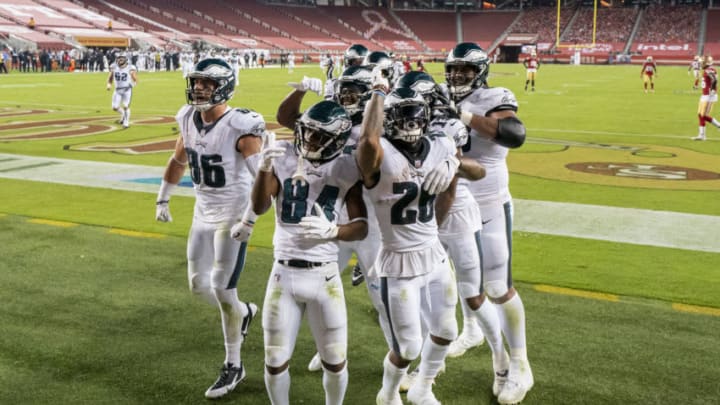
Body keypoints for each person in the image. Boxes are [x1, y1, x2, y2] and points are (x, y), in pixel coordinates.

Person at [358, 74, 485, 405]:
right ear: (390, 120)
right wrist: (377, 94)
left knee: (446, 332)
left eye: (416, 114)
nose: (411, 122)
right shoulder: (380, 151)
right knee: (408, 346)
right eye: (403, 115)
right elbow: (369, 140)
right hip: (398, 260)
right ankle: (387, 395)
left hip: (435, 255)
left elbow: (479, 172)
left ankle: (423, 387)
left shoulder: (440, 145)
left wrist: (456, 163)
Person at [238, 100, 368, 405]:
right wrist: (263, 169)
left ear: (336, 139)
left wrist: (335, 231)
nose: (309, 139)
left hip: (325, 274)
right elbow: (259, 206)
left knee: (335, 361)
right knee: (274, 360)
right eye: (307, 131)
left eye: (318, 135)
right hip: (283, 273)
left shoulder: (347, 166)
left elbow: (361, 226)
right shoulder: (283, 155)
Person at [154, 58, 264, 399]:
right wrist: (163, 199)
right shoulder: (187, 117)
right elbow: (178, 160)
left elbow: (264, 180)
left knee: (220, 287)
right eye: (197, 81)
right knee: (198, 286)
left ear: (224, 86)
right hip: (203, 214)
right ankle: (243, 313)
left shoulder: (241, 126)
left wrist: (249, 220)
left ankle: (234, 364)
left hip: (232, 215)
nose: (199, 88)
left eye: (207, 83)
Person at [276, 67, 390, 373]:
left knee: (380, 293)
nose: (347, 97)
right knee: (320, 287)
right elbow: (286, 119)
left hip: (370, 220)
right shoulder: (329, 116)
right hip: (327, 216)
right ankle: (326, 348)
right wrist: (300, 90)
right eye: (344, 90)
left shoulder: (376, 124)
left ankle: (399, 356)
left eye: (355, 92)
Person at [445, 42, 531, 404]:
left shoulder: (494, 96)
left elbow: (514, 134)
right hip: (452, 203)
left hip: (490, 203)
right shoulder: (440, 95)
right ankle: (472, 331)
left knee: (497, 285)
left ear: (480, 71)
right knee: (462, 275)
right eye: (453, 70)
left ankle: (521, 364)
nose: (457, 76)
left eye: (465, 70)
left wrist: (462, 116)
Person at [106, 52, 137, 129]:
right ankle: (123, 114)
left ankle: (126, 122)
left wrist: (133, 84)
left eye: (122, 59)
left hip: (127, 90)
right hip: (117, 90)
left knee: (126, 106)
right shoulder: (114, 67)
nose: (120, 60)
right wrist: (109, 85)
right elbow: (110, 77)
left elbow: (135, 78)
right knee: (115, 107)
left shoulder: (130, 68)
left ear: (126, 60)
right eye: (119, 59)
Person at [693, 56, 719, 141]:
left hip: (709, 95)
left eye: (702, 62)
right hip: (705, 95)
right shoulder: (707, 69)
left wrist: (712, 90)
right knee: (700, 115)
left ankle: (702, 135)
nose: (701, 64)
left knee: (703, 115)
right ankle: (702, 135)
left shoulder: (709, 70)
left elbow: (714, 80)